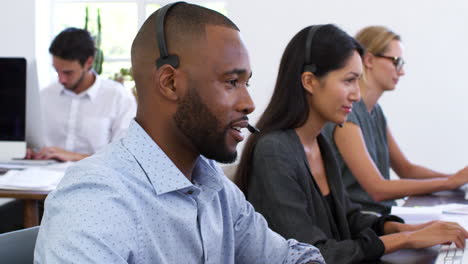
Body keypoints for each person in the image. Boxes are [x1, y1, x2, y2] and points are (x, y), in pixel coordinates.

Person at [34, 3, 325, 263]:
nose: (248, 103)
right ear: (171, 83)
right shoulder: (96, 203)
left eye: (246, 83)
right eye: (232, 81)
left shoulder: (215, 187)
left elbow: (289, 257)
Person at [234, 24, 468, 264]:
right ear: (310, 81)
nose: (356, 94)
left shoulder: (318, 142)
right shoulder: (275, 152)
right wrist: (405, 240)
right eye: (349, 81)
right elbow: (310, 255)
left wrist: (402, 229)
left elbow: (348, 217)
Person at [322, 25, 468, 214]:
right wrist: (450, 182)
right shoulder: (347, 114)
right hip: (362, 223)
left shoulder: (375, 112)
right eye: (396, 62)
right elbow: (377, 189)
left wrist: (457, 180)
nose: (401, 72)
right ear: (369, 60)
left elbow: (406, 169)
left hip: (383, 215)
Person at [29, 27, 136, 162]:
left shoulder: (119, 97)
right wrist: (30, 152)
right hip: (42, 178)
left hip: (95, 178)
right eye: (57, 71)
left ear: (89, 62)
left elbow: (124, 157)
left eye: (68, 72)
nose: (61, 79)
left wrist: (73, 157)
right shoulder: (44, 96)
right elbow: (33, 144)